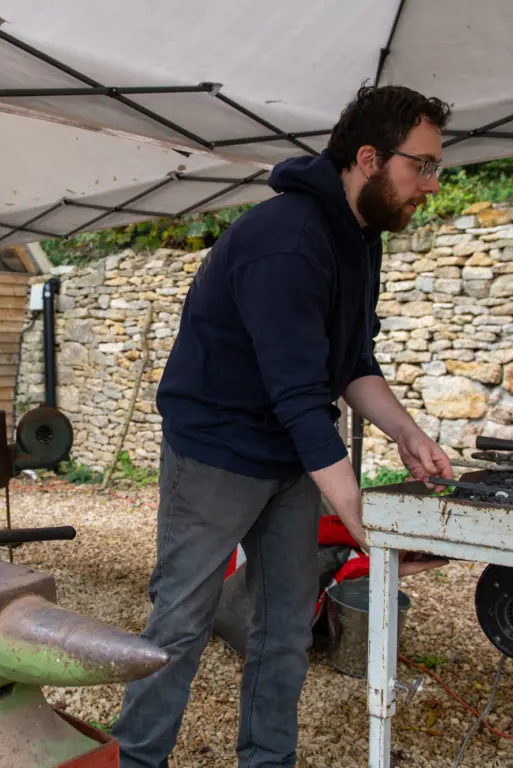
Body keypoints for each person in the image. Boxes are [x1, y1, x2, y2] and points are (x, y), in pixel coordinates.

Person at [111, 85, 456, 767]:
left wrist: (407, 434)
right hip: (214, 452)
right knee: (179, 624)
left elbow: (351, 361)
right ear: (367, 158)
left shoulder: (360, 239)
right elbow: (300, 397)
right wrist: (357, 514)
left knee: (286, 627)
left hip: (288, 454)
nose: (430, 185)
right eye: (421, 165)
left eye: (434, 167)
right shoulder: (288, 240)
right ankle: (133, 760)